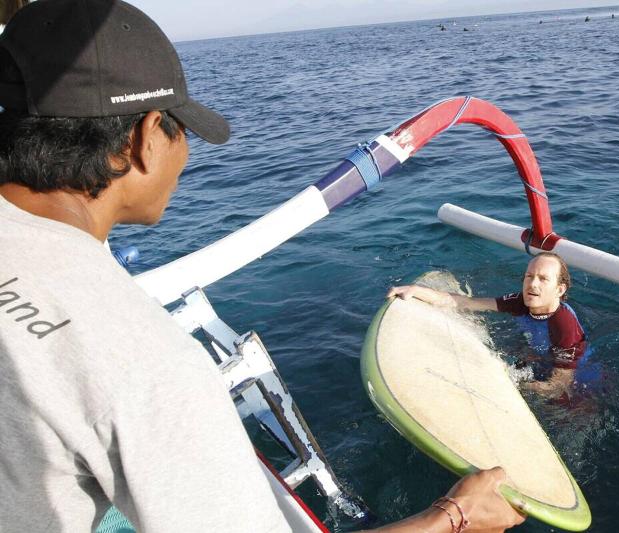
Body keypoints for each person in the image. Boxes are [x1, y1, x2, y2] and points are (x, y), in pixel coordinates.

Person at [0, 1, 524, 532]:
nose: (185, 153)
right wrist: (454, 515)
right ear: (145, 137)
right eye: (182, 130)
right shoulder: (144, 360)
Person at [387, 252, 588, 399]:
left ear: (559, 289)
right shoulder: (521, 301)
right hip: (541, 354)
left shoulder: (563, 324)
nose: (533, 284)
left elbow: (559, 385)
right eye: (529, 276)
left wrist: (511, 379)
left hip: (582, 377)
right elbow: (466, 303)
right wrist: (416, 290)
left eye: (543, 279)